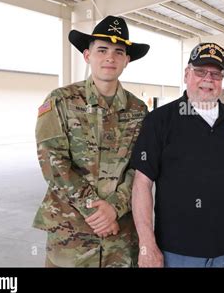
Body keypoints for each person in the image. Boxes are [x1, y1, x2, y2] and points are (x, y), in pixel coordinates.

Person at [130, 42, 224, 267]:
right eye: (200, 71)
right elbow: (141, 184)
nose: (208, 79)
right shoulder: (160, 121)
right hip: (176, 254)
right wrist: (146, 243)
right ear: (186, 74)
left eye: (216, 74)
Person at [33, 16, 150, 267]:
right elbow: (53, 163)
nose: (110, 57)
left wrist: (114, 208)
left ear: (127, 60)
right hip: (71, 236)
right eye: (102, 50)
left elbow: (142, 166)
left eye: (119, 52)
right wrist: (95, 210)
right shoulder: (60, 101)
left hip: (120, 237)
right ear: (87, 55)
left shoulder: (139, 110)